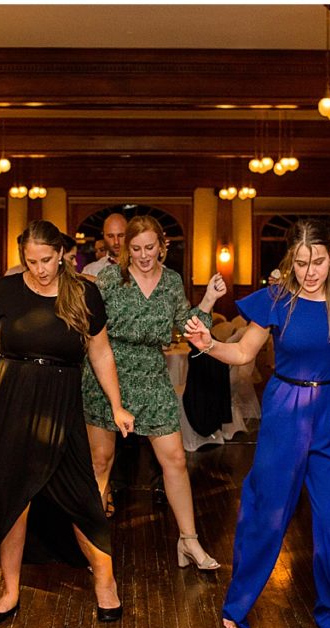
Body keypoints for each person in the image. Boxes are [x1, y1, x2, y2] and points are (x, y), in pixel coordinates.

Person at [0, 220, 134, 626]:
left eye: (48, 259)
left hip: (60, 400)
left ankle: (106, 583)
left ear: (62, 253)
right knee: (13, 497)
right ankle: (10, 589)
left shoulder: (84, 293)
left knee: (81, 496)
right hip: (11, 398)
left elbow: (101, 353)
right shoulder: (5, 290)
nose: (40, 269)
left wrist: (117, 405)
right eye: (32, 261)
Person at [184, 219, 330, 628]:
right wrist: (207, 344)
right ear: (290, 261)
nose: (310, 271)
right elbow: (241, 353)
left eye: (319, 261)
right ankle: (238, 603)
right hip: (287, 407)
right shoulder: (277, 300)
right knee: (269, 510)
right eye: (302, 262)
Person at [82, 215, 227, 570]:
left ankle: (189, 541)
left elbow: (187, 328)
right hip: (108, 373)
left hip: (151, 374)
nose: (144, 255)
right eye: (136, 249)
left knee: (175, 459)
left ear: (162, 246)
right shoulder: (110, 280)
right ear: (125, 249)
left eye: (150, 248)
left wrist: (207, 300)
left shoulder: (172, 281)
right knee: (101, 462)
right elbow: (89, 327)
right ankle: (94, 545)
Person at [82, 213, 127, 277]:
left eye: (121, 235)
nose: (116, 242)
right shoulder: (90, 271)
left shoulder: (141, 267)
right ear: (104, 236)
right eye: (111, 236)